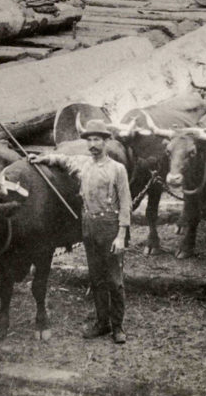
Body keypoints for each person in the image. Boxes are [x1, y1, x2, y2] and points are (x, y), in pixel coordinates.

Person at [28, 120, 131, 344]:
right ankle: (102, 323)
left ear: (106, 142)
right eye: (90, 140)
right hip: (88, 228)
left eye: (97, 140)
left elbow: (125, 204)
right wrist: (41, 158)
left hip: (110, 227)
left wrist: (121, 235)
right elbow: (63, 160)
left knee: (114, 280)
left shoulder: (117, 169)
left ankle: (118, 326)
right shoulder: (83, 164)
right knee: (96, 279)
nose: (93, 144)